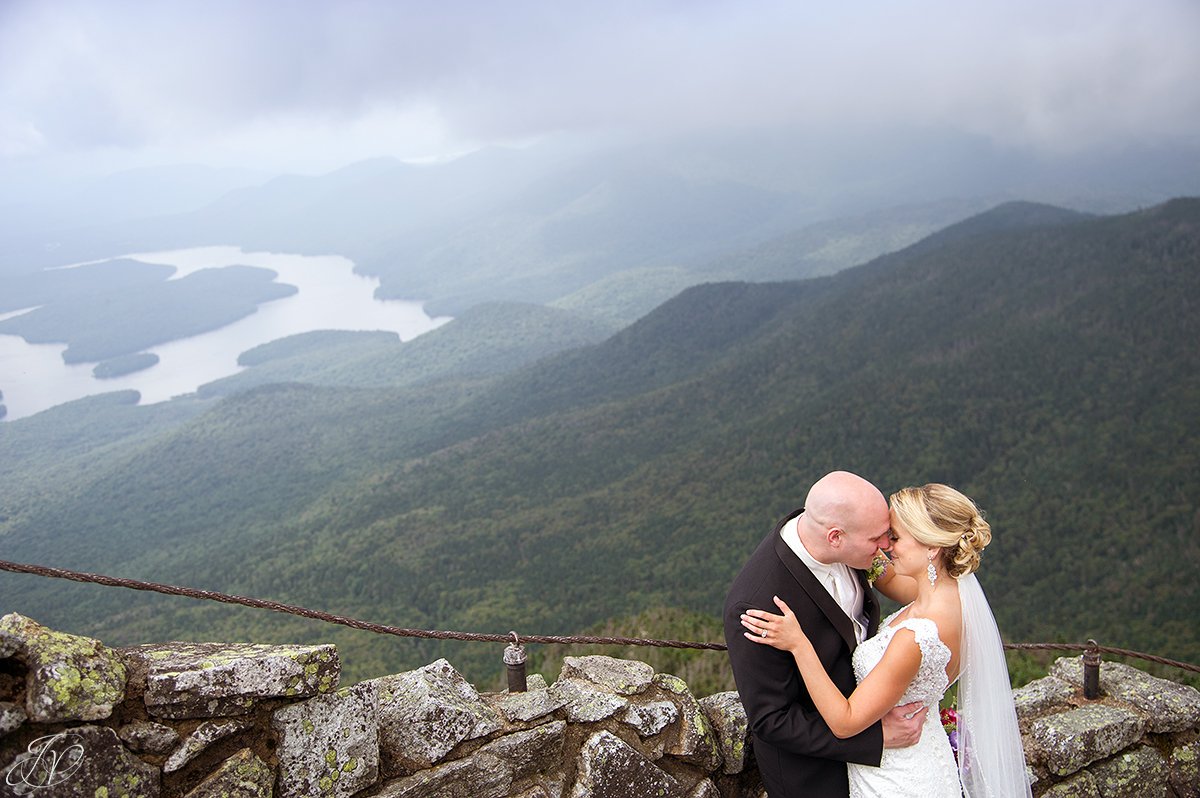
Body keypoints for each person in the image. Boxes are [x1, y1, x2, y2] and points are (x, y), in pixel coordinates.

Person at [740, 483, 1031, 798]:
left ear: (932, 547)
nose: (886, 546)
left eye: (895, 537)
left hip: (896, 778)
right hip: (927, 756)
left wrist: (799, 644)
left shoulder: (913, 638)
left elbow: (845, 721)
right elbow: (889, 577)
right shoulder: (953, 597)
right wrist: (855, 547)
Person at [723, 471, 928, 798]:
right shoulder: (756, 604)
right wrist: (874, 738)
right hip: (813, 777)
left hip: (872, 746)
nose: (886, 546)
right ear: (835, 537)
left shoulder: (847, 538)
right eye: (878, 539)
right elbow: (772, 720)